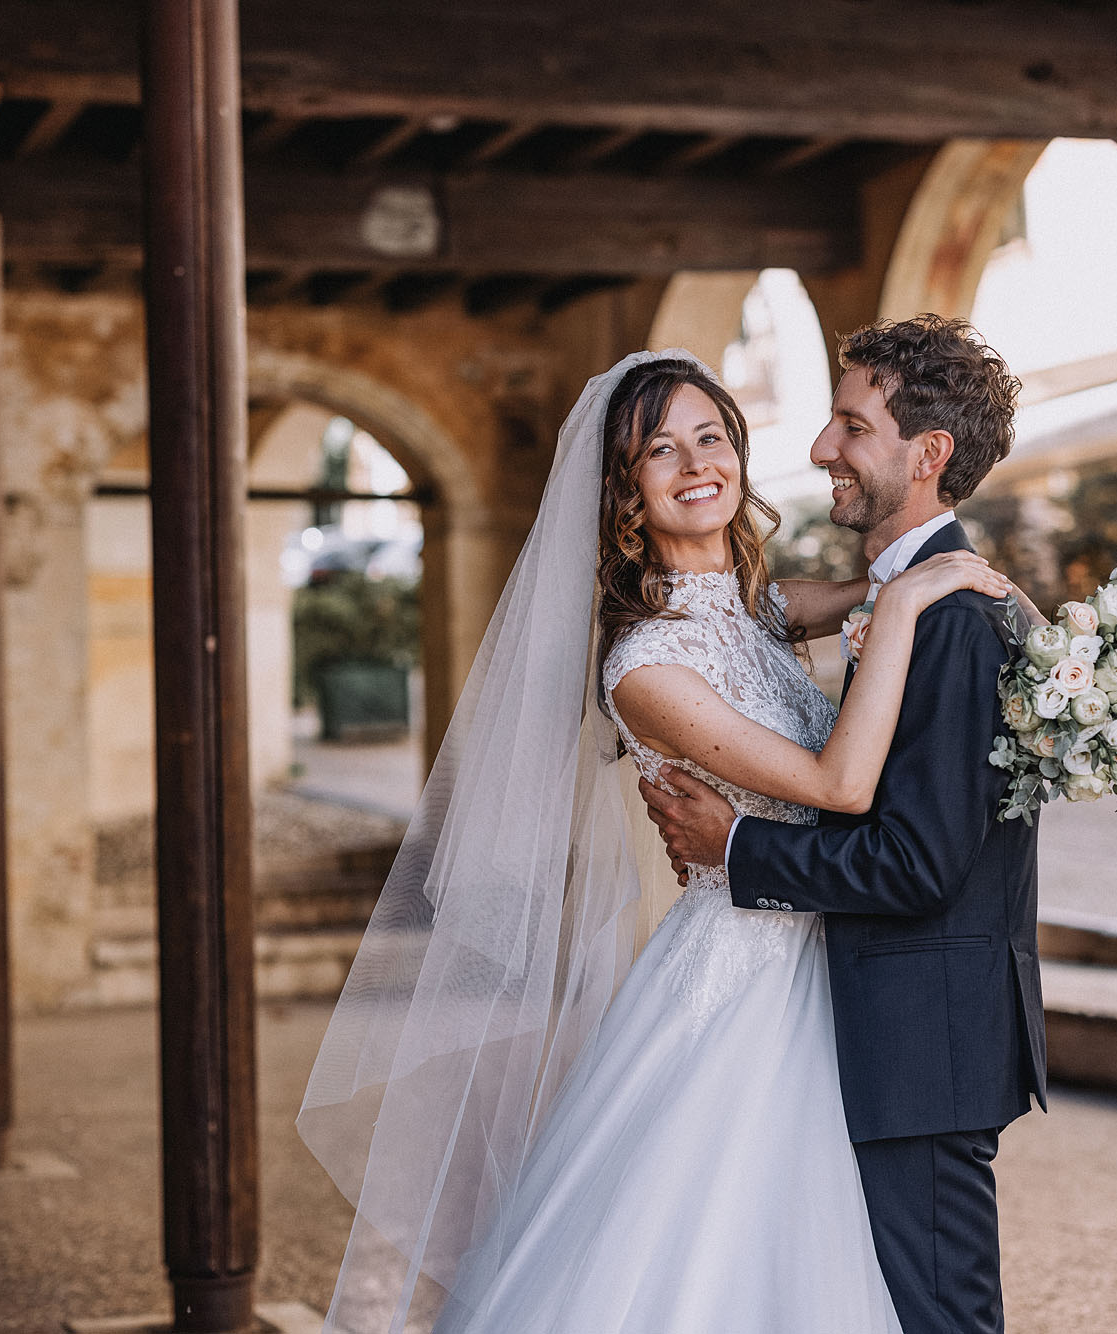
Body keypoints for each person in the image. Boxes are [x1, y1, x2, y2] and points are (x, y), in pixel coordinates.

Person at [299, 341, 1024, 1334]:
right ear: (623, 491)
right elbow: (837, 781)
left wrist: (958, 588)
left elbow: (876, 595)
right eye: (658, 451)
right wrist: (898, 602)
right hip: (743, 974)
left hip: (839, 965)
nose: (695, 463)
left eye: (710, 436)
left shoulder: (761, 611)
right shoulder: (644, 664)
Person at [643, 314, 1045, 1334]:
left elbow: (915, 863)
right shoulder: (906, 597)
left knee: (938, 1318)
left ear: (927, 454)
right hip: (869, 1029)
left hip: (919, 1042)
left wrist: (732, 845)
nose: (821, 448)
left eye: (848, 424)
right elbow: (764, 612)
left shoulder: (944, 618)